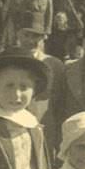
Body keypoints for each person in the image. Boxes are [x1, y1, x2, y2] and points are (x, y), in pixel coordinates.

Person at [15, 11, 66, 152]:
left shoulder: (55, 66)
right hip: (13, 130)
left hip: (44, 131)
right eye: (26, 35)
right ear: (18, 35)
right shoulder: (8, 63)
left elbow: (60, 105)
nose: (31, 41)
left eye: (36, 36)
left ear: (44, 38)